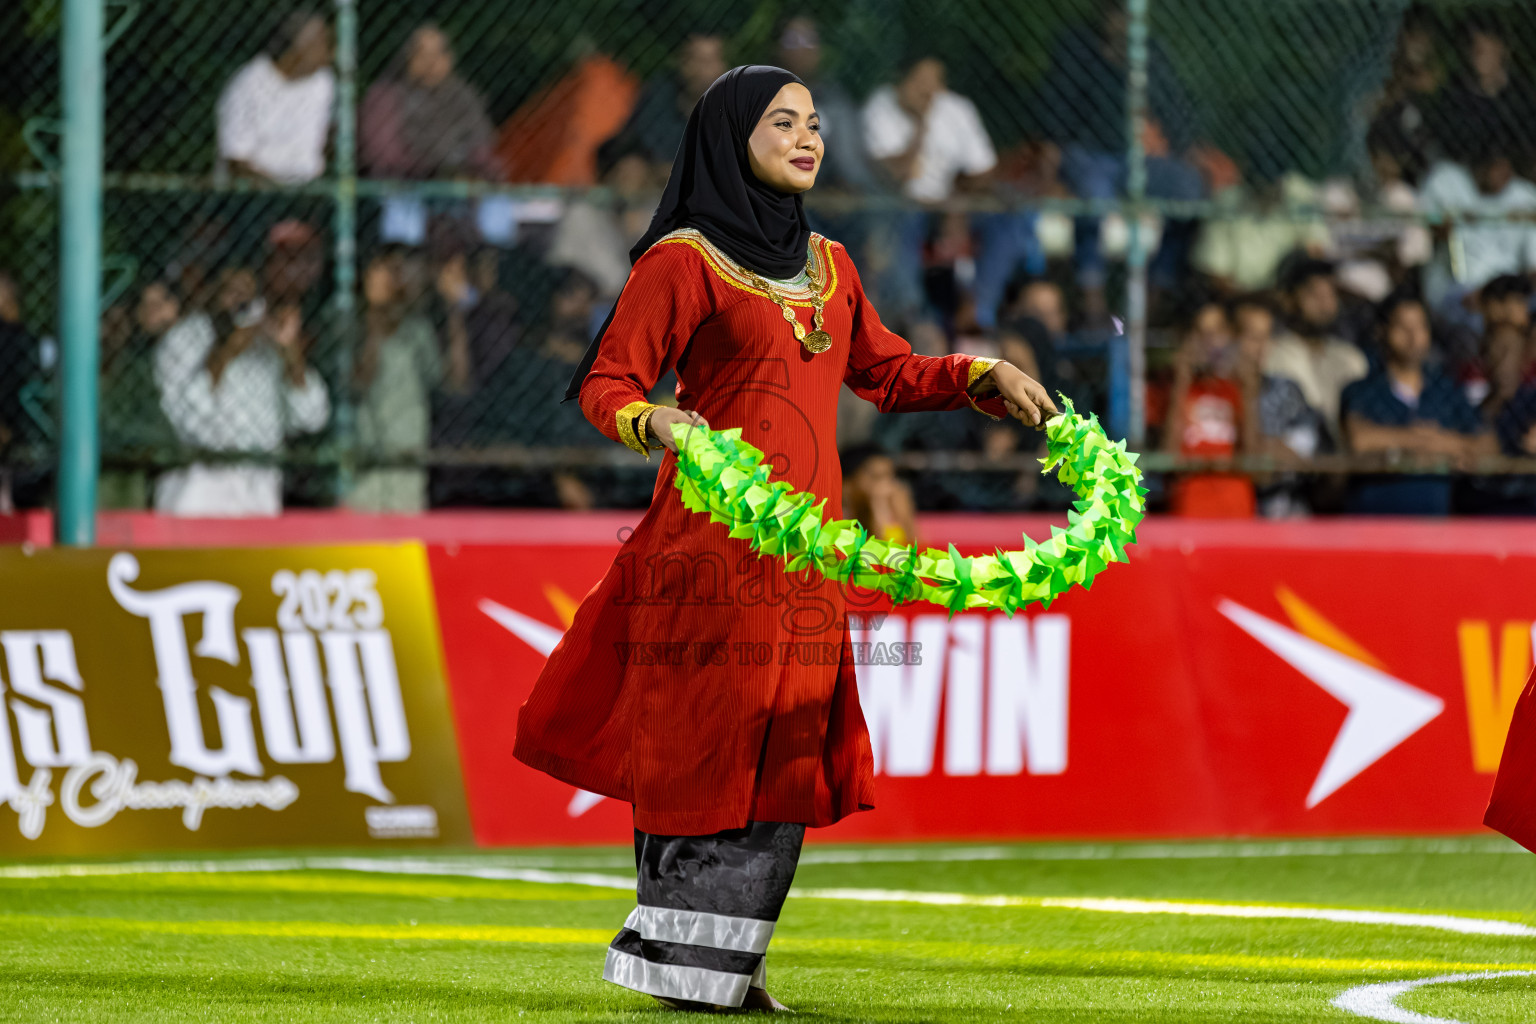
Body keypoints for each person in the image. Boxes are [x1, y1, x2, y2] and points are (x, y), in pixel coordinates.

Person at [513, 65, 1054, 1012]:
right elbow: (607, 384)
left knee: (781, 759)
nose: (809, 137)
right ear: (730, 136)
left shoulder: (833, 266)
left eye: (814, 123)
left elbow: (885, 373)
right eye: (784, 122)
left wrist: (983, 370)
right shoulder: (681, 261)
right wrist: (659, 423)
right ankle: (692, 971)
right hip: (707, 557)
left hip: (805, 565)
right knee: (704, 753)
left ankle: (723, 967)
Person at [1036, 0, 1205, 321]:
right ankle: (1094, 302)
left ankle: (1153, 298)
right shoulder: (1077, 45)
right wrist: (1051, 154)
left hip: (1134, 160)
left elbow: (1174, 106)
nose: (1121, 21)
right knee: (1095, 196)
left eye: (1126, 13)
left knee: (1188, 188)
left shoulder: (1148, 50)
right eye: (1114, 12)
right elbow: (1055, 109)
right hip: (1086, 153)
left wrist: (1187, 151)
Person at [862, 55, 1039, 331]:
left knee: (1009, 219)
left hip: (951, 205)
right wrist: (920, 126)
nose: (929, 90)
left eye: (935, 81)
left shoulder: (957, 109)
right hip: (903, 206)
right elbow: (893, 177)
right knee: (899, 221)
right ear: (902, 81)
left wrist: (958, 202)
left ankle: (979, 311)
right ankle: (912, 318)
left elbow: (982, 171)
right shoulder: (880, 107)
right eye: (920, 81)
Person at [154, 261, 331, 517]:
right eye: (230, 292)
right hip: (195, 502)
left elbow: (312, 418)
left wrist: (292, 354)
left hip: (258, 503)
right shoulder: (182, 340)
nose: (240, 302)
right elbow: (190, 424)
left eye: (248, 294)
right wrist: (226, 353)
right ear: (210, 293)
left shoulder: (267, 340)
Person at [1340, 293, 1493, 514]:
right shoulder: (1361, 390)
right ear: (1382, 332)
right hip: (1372, 520)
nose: (1413, 337)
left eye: (1420, 327)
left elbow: (1487, 443)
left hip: (1434, 521)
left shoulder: (1445, 388)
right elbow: (1360, 439)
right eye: (1403, 328)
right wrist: (1428, 441)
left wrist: (1433, 442)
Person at [346, 247, 466, 513]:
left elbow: (456, 381)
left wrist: (454, 309)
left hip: (409, 459)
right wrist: (376, 312)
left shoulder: (417, 328)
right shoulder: (348, 323)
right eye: (387, 270)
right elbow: (361, 380)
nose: (395, 279)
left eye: (399, 271)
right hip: (362, 464)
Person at [360, 24, 500, 181]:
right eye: (423, 55)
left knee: (497, 203)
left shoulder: (463, 95)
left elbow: (481, 146)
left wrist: (467, 169)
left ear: (449, 58)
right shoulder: (386, 97)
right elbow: (387, 156)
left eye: (438, 54)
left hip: (461, 182)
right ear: (409, 58)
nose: (431, 63)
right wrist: (440, 164)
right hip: (406, 185)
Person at [1160, 296, 1257, 517]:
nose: (1211, 342)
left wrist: (1248, 392)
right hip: (1191, 507)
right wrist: (1180, 382)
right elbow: (1169, 457)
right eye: (1202, 333)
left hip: (1237, 508)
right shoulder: (1178, 391)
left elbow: (1253, 459)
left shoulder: (1236, 391)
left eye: (1218, 332)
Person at [215, 10, 335, 184]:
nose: (330, 53)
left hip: (310, 191)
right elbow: (235, 162)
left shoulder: (323, 82)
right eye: (322, 43)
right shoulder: (248, 84)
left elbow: (329, 140)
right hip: (256, 194)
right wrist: (280, 196)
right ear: (299, 46)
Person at [1263, 259, 1369, 445]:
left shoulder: (1351, 357)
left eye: (1330, 295)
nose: (1324, 305)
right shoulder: (1271, 352)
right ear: (1288, 300)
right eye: (1314, 295)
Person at [602, 34, 728, 186]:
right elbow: (643, 140)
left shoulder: (734, 103)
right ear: (681, 62)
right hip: (656, 173)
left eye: (707, 62)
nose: (699, 70)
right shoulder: (660, 92)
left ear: (722, 65)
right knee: (630, 170)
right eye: (693, 60)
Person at [840, 443, 918, 545]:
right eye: (876, 477)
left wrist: (906, 518)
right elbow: (876, 554)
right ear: (848, 483)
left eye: (890, 477)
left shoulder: (895, 515)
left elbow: (917, 551)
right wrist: (878, 508)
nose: (886, 486)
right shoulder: (839, 519)